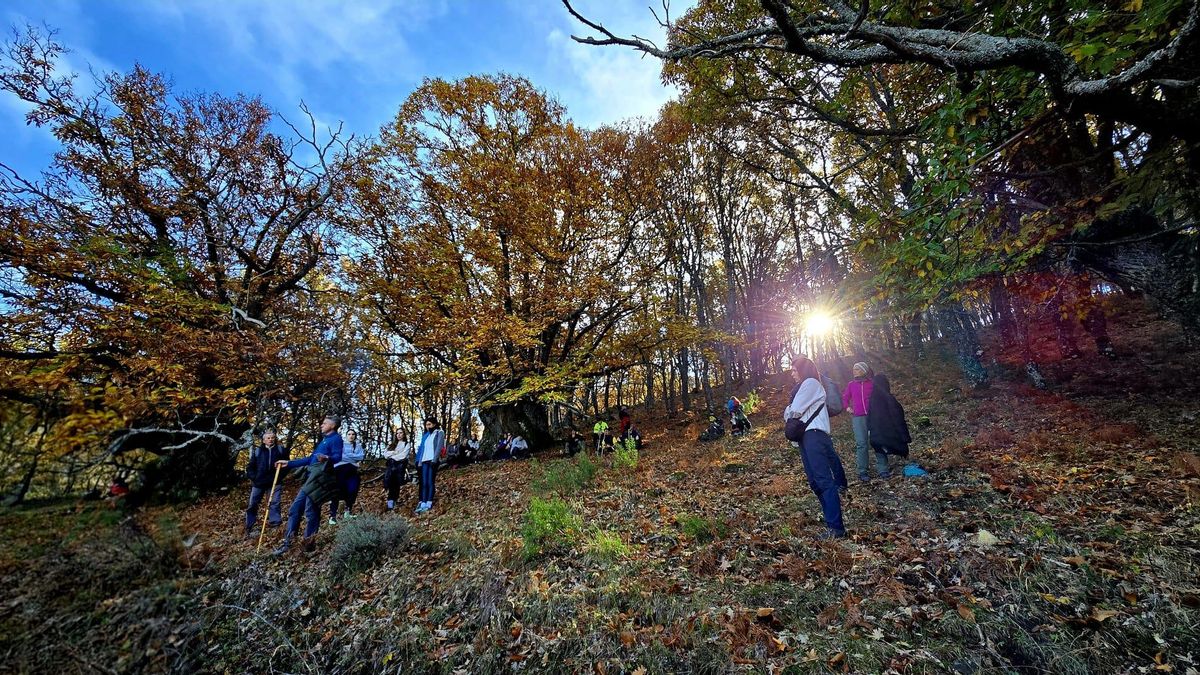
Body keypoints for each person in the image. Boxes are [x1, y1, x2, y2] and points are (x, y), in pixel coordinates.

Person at [785, 356, 848, 539]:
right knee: (814, 481)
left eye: (795, 370)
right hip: (806, 437)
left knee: (823, 480)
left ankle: (836, 528)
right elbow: (788, 413)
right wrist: (791, 411)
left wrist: (791, 411)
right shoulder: (803, 388)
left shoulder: (811, 383)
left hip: (814, 435)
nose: (792, 373)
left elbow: (793, 411)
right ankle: (831, 519)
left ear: (803, 370)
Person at [273, 415, 344, 554]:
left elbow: (337, 457)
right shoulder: (324, 440)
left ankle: (308, 544)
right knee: (295, 510)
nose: (321, 425)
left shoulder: (336, 439)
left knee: (311, 511)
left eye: (324, 423)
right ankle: (289, 543)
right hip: (311, 478)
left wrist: (327, 458)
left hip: (320, 479)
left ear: (333, 426)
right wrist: (289, 463)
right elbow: (310, 459)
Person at [866, 374, 917, 479]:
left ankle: (883, 471)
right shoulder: (888, 397)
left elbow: (869, 416)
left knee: (880, 449)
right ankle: (904, 466)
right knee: (896, 447)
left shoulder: (872, 399)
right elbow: (897, 415)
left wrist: (870, 429)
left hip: (876, 432)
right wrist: (904, 435)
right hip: (890, 431)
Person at [244, 429, 289, 538]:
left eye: (272, 437)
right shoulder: (258, 451)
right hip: (258, 482)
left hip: (275, 482)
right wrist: (254, 477)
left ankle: (275, 525)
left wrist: (280, 477)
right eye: (268, 438)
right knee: (253, 504)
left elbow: (287, 465)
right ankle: (249, 526)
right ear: (263, 440)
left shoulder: (280, 450)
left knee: (274, 503)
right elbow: (250, 467)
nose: (270, 440)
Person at [843, 362, 883, 482]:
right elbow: (845, 398)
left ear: (864, 371)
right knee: (861, 444)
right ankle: (862, 471)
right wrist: (847, 407)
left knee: (877, 441)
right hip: (858, 418)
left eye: (857, 369)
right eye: (853, 369)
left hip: (873, 417)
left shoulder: (872, 383)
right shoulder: (851, 385)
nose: (854, 371)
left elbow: (881, 397)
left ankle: (883, 469)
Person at [329, 429, 364, 524]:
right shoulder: (341, 444)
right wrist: (352, 457)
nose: (351, 436)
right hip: (339, 470)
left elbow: (361, 457)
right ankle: (332, 516)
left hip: (352, 470)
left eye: (353, 434)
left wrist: (347, 457)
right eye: (349, 434)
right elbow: (339, 456)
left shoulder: (358, 446)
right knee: (337, 492)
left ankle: (348, 511)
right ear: (346, 435)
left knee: (353, 489)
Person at [414, 417, 444, 514]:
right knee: (424, 482)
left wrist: (435, 460)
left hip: (432, 460)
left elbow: (439, 446)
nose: (428, 426)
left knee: (430, 481)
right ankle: (423, 502)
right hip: (424, 461)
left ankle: (429, 503)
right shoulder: (426, 435)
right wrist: (419, 462)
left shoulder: (439, 433)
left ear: (434, 424)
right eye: (426, 425)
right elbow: (422, 448)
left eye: (429, 424)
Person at [383, 431, 412, 511]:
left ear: (404, 434)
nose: (399, 435)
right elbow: (385, 455)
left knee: (396, 484)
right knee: (389, 483)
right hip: (390, 467)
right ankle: (390, 503)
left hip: (399, 467)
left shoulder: (406, 444)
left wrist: (392, 457)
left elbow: (403, 455)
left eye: (401, 433)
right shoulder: (391, 445)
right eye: (397, 433)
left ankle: (393, 502)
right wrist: (394, 452)